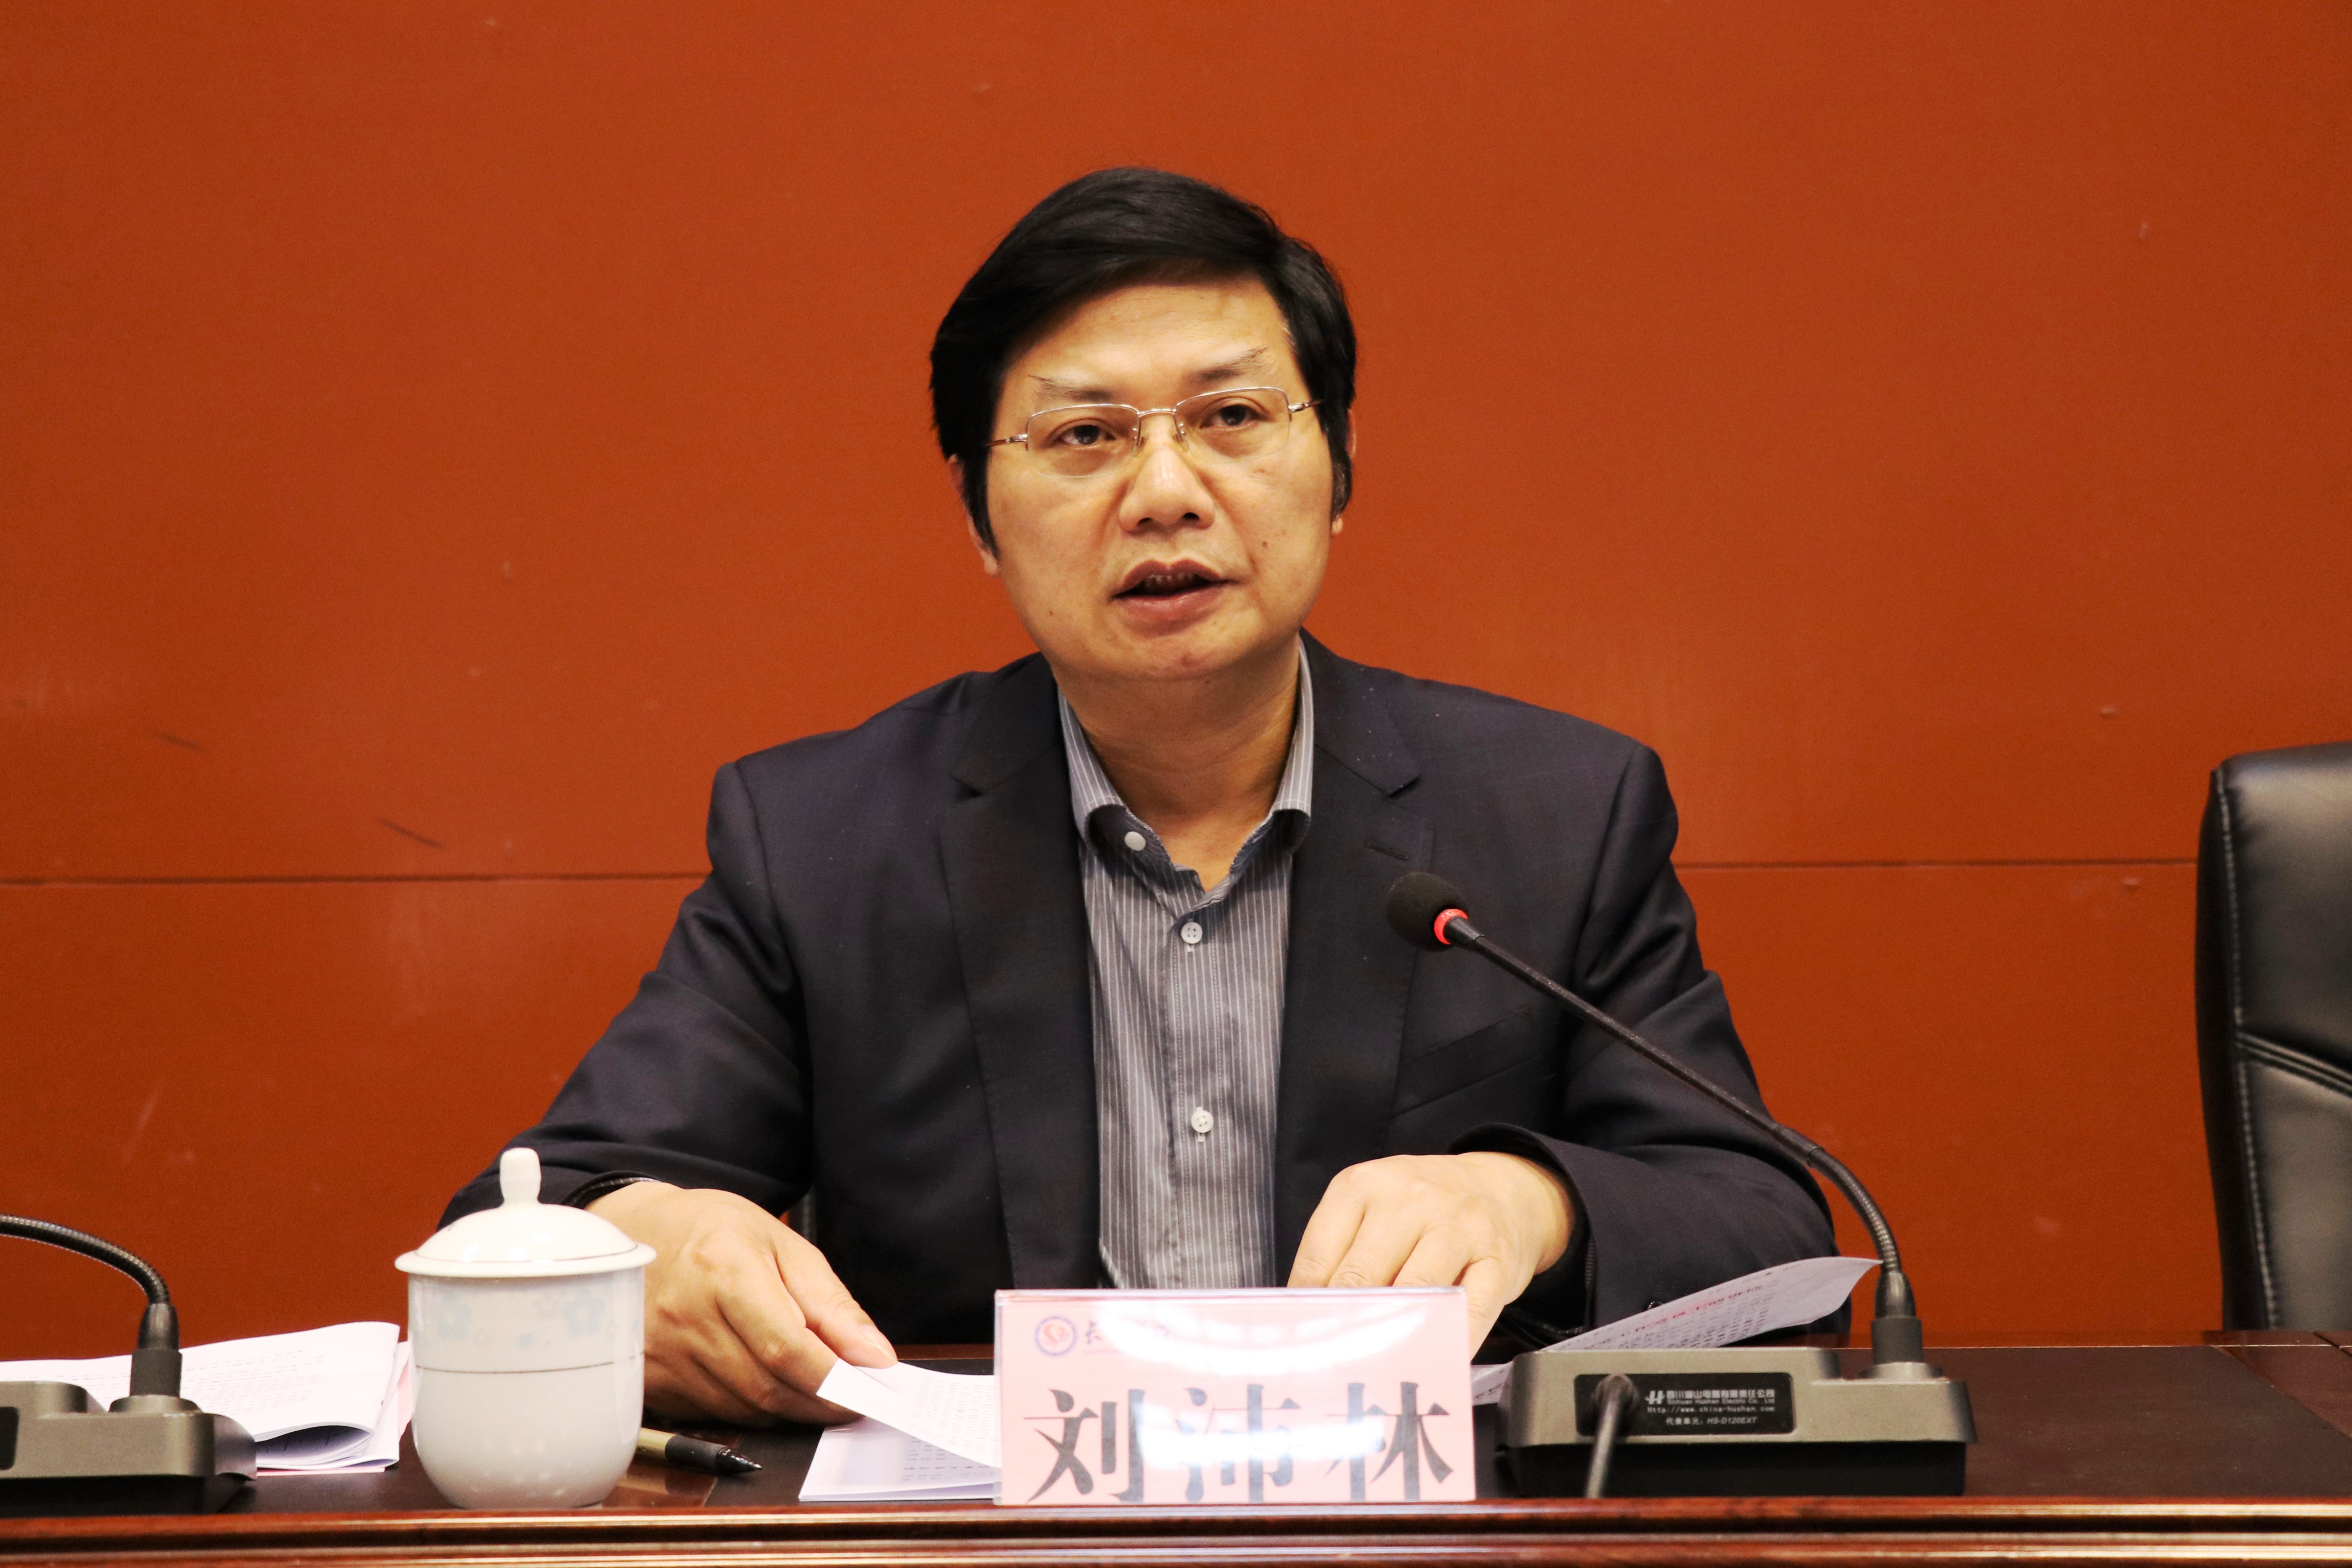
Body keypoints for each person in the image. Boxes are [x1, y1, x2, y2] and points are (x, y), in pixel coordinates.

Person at [444, 168, 1834, 1426]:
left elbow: (1769, 1229)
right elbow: (531, 1210)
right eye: (1082, 436)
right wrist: (654, 1239)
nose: (1166, 492)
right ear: (977, 515)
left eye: (1231, 417)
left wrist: (1525, 1200)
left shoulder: (1557, 813)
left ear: (1340, 469)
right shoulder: (823, 841)